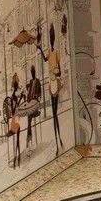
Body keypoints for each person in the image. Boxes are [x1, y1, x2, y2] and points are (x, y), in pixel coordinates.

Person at [36, 24, 65, 152]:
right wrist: (39, 48)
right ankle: (58, 140)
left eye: (52, 38)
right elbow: (44, 59)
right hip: (50, 83)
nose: (51, 40)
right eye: (50, 38)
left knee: (55, 113)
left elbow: (60, 72)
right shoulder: (49, 52)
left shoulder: (56, 52)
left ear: (54, 39)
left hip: (55, 83)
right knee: (54, 114)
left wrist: (56, 71)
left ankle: (59, 138)